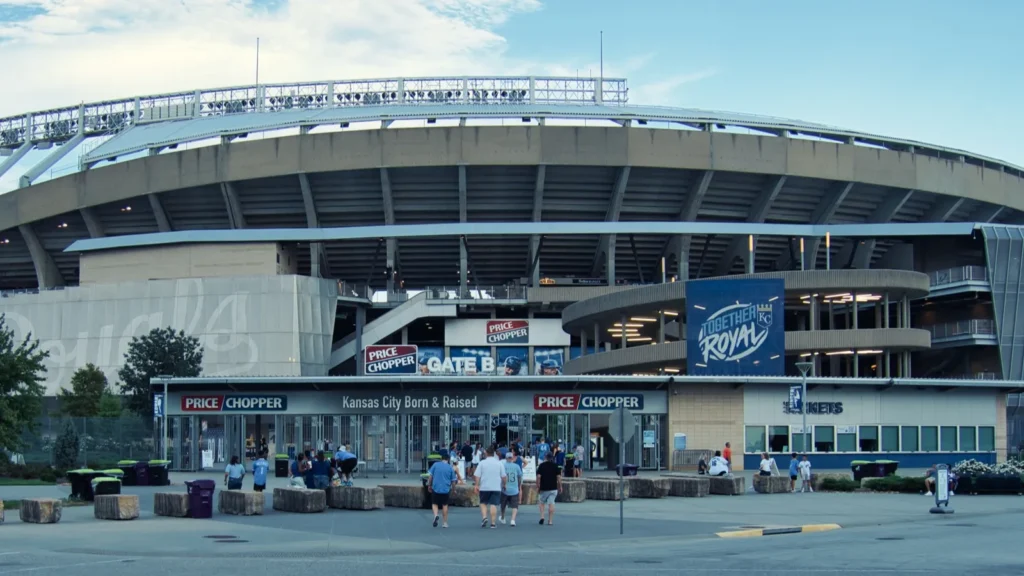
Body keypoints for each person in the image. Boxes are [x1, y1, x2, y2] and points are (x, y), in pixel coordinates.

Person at [474, 447, 506, 528]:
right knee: (494, 504)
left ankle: (484, 517)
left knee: (483, 503)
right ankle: (493, 523)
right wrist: (504, 484)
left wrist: (477, 485)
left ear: (486, 453)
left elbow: (477, 475)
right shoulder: (499, 463)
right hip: (496, 486)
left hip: (485, 486)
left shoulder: (482, 463)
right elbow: (504, 476)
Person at [427, 449, 457, 528]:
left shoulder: (435, 465)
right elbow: (453, 481)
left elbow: (430, 476)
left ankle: (436, 515)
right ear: (448, 459)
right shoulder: (450, 468)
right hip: (446, 489)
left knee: (434, 504)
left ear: (441, 458)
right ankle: (445, 523)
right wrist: (454, 490)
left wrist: (429, 485)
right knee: (445, 505)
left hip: (436, 488)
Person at [536, 452, 561, 526]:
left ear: (545, 457)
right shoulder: (555, 466)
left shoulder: (541, 465)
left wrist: (538, 485)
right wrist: (560, 486)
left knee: (541, 502)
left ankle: (542, 516)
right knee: (551, 503)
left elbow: (538, 477)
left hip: (544, 488)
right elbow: (559, 477)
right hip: (553, 488)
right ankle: (550, 521)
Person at [499, 450, 522, 526]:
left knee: (503, 504)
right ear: (512, 458)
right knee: (515, 506)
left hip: (505, 488)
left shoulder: (503, 466)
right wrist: (519, 486)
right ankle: (513, 520)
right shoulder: (516, 466)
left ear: (506, 458)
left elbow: (501, 476)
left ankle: (502, 517)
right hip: (514, 489)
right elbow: (519, 477)